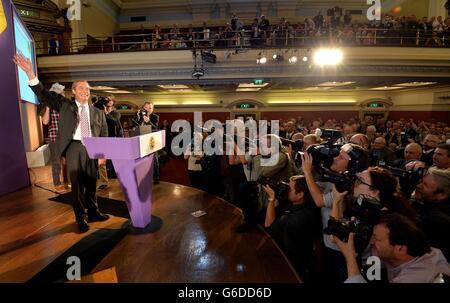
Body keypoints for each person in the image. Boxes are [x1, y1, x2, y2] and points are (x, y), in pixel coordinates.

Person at [14, 53, 110, 233]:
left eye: (87, 89)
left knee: (91, 183)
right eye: (81, 88)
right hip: (74, 148)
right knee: (77, 186)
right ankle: (80, 218)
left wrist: (102, 154)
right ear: (73, 91)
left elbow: (103, 133)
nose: (85, 91)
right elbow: (44, 94)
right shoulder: (65, 105)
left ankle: (94, 212)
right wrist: (30, 74)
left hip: (92, 148)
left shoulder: (98, 112)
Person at [333, 213, 450, 283]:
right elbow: (373, 274)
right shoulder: (409, 254)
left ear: (400, 249)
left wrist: (350, 258)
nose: (371, 241)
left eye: (376, 238)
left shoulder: (415, 278)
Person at [263, 175, 321, 281]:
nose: (286, 189)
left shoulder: (300, 217)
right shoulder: (298, 204)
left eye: (289, 188)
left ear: (300, 195)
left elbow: (269, 226)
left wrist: (271, 199)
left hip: (297, 263)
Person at [412, 167, 450, 261]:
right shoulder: (427, 205)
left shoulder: (436, 220)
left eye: (425, 185)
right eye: (421, 181)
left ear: (441, 195)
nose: (418, 185)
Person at [41, 83, 68, 193]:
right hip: (55, 138)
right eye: (61, 92)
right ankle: (57, 183)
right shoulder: (50, 106)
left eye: (63, 92)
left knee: (70, 161)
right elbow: (45, 122)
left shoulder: (66, 105)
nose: (63, 94)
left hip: (67, 138)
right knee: (56, 163)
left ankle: (70, 181)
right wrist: (48, 107)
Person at [97, 94, 123, 190]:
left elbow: (114, 121)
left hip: (113, 139)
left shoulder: (116, 113)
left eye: (110, 100)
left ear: (113, 102)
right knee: (102, 162)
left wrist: (106, 113)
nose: (108, 102)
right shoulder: (100, 112)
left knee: (116, 161)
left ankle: (123, 180)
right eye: (107, 100)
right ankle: (104, 182)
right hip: (102, 139)